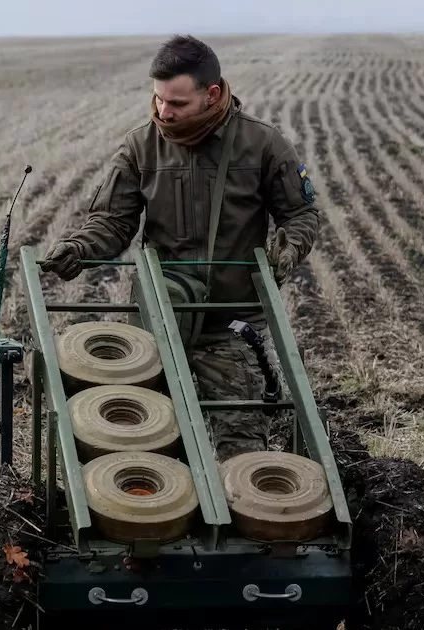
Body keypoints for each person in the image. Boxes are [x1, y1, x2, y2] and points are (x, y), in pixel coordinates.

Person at [40, 34, 321, 461]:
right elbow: (113, 221)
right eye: (158, 101)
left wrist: (290, 248)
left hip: (232, 327)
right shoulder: (140, 145)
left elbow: (301, 214)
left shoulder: (262, 144)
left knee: (242, 455)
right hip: (158, 322)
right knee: (141, 450)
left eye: (177, 104)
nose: (164, 113)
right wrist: (79, 248)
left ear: (212, 94)